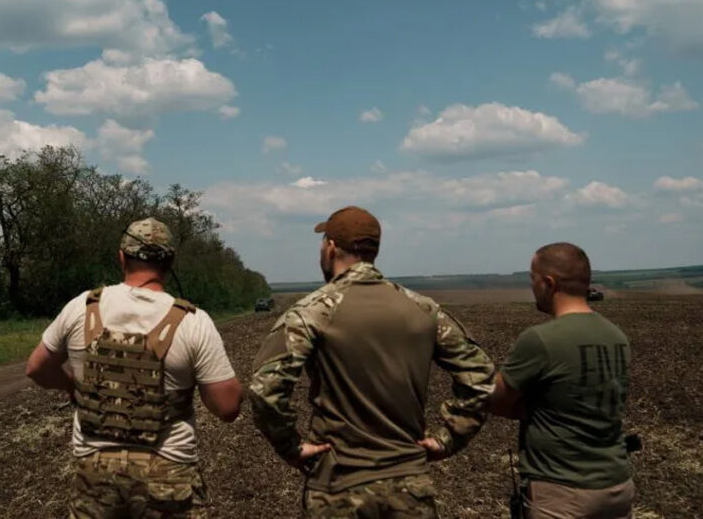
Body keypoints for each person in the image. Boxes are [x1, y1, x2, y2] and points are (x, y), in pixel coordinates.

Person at [248, 206, 496, 518]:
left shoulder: (312, 311)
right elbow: (481, 376)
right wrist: (447, 439)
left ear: (331, 247)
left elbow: (264, 389)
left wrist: (291, 447)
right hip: (410, 490)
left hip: (337, 490)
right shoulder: (424, 309)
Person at [25, 217, 243, 518]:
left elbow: (37, 367)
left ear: (122, 257)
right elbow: (228, 406)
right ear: (170, 262)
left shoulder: (81, 307)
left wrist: (71, 385)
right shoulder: (194, 321)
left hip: (94, 476)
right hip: (168, 474)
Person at [490, 242, 634, 518]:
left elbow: (495, 399)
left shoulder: (540, 339)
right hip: (617, 484)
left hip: (562, 491)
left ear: (548, 283)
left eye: (532, 279)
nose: (532, 287)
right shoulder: (617, 336)